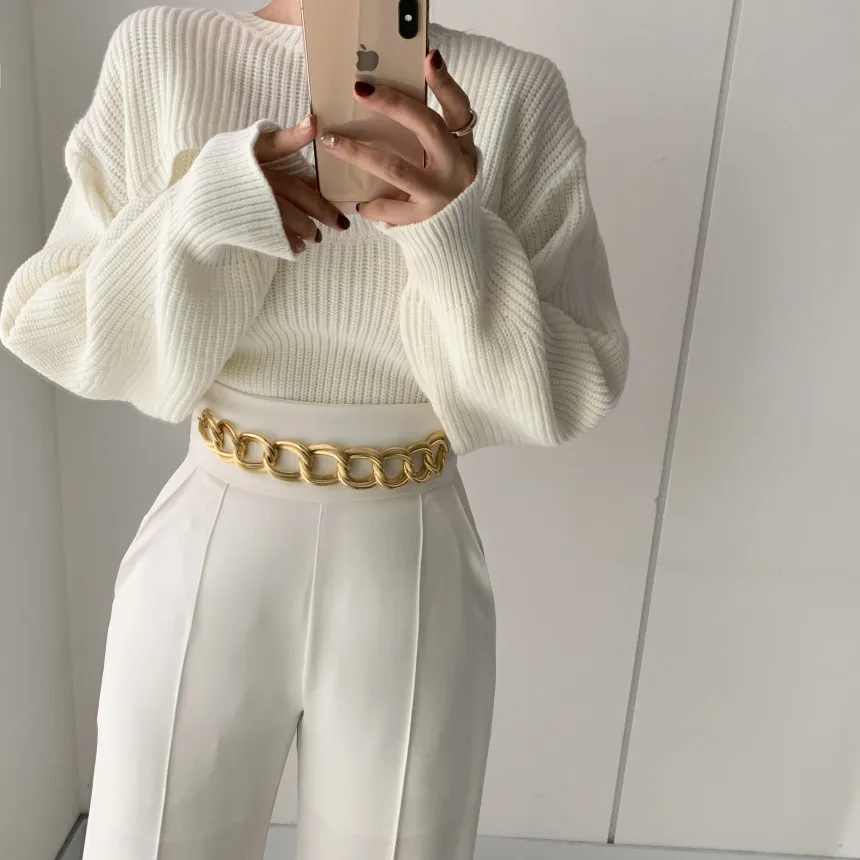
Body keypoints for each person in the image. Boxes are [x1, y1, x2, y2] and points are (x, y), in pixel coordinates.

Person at [0, 3, 628, 859]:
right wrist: (200, 210)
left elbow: (570, 391)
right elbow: (51, 326)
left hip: (411, 560)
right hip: (211, 544)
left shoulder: (518, 94)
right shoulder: (165, 53)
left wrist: (453, 236)